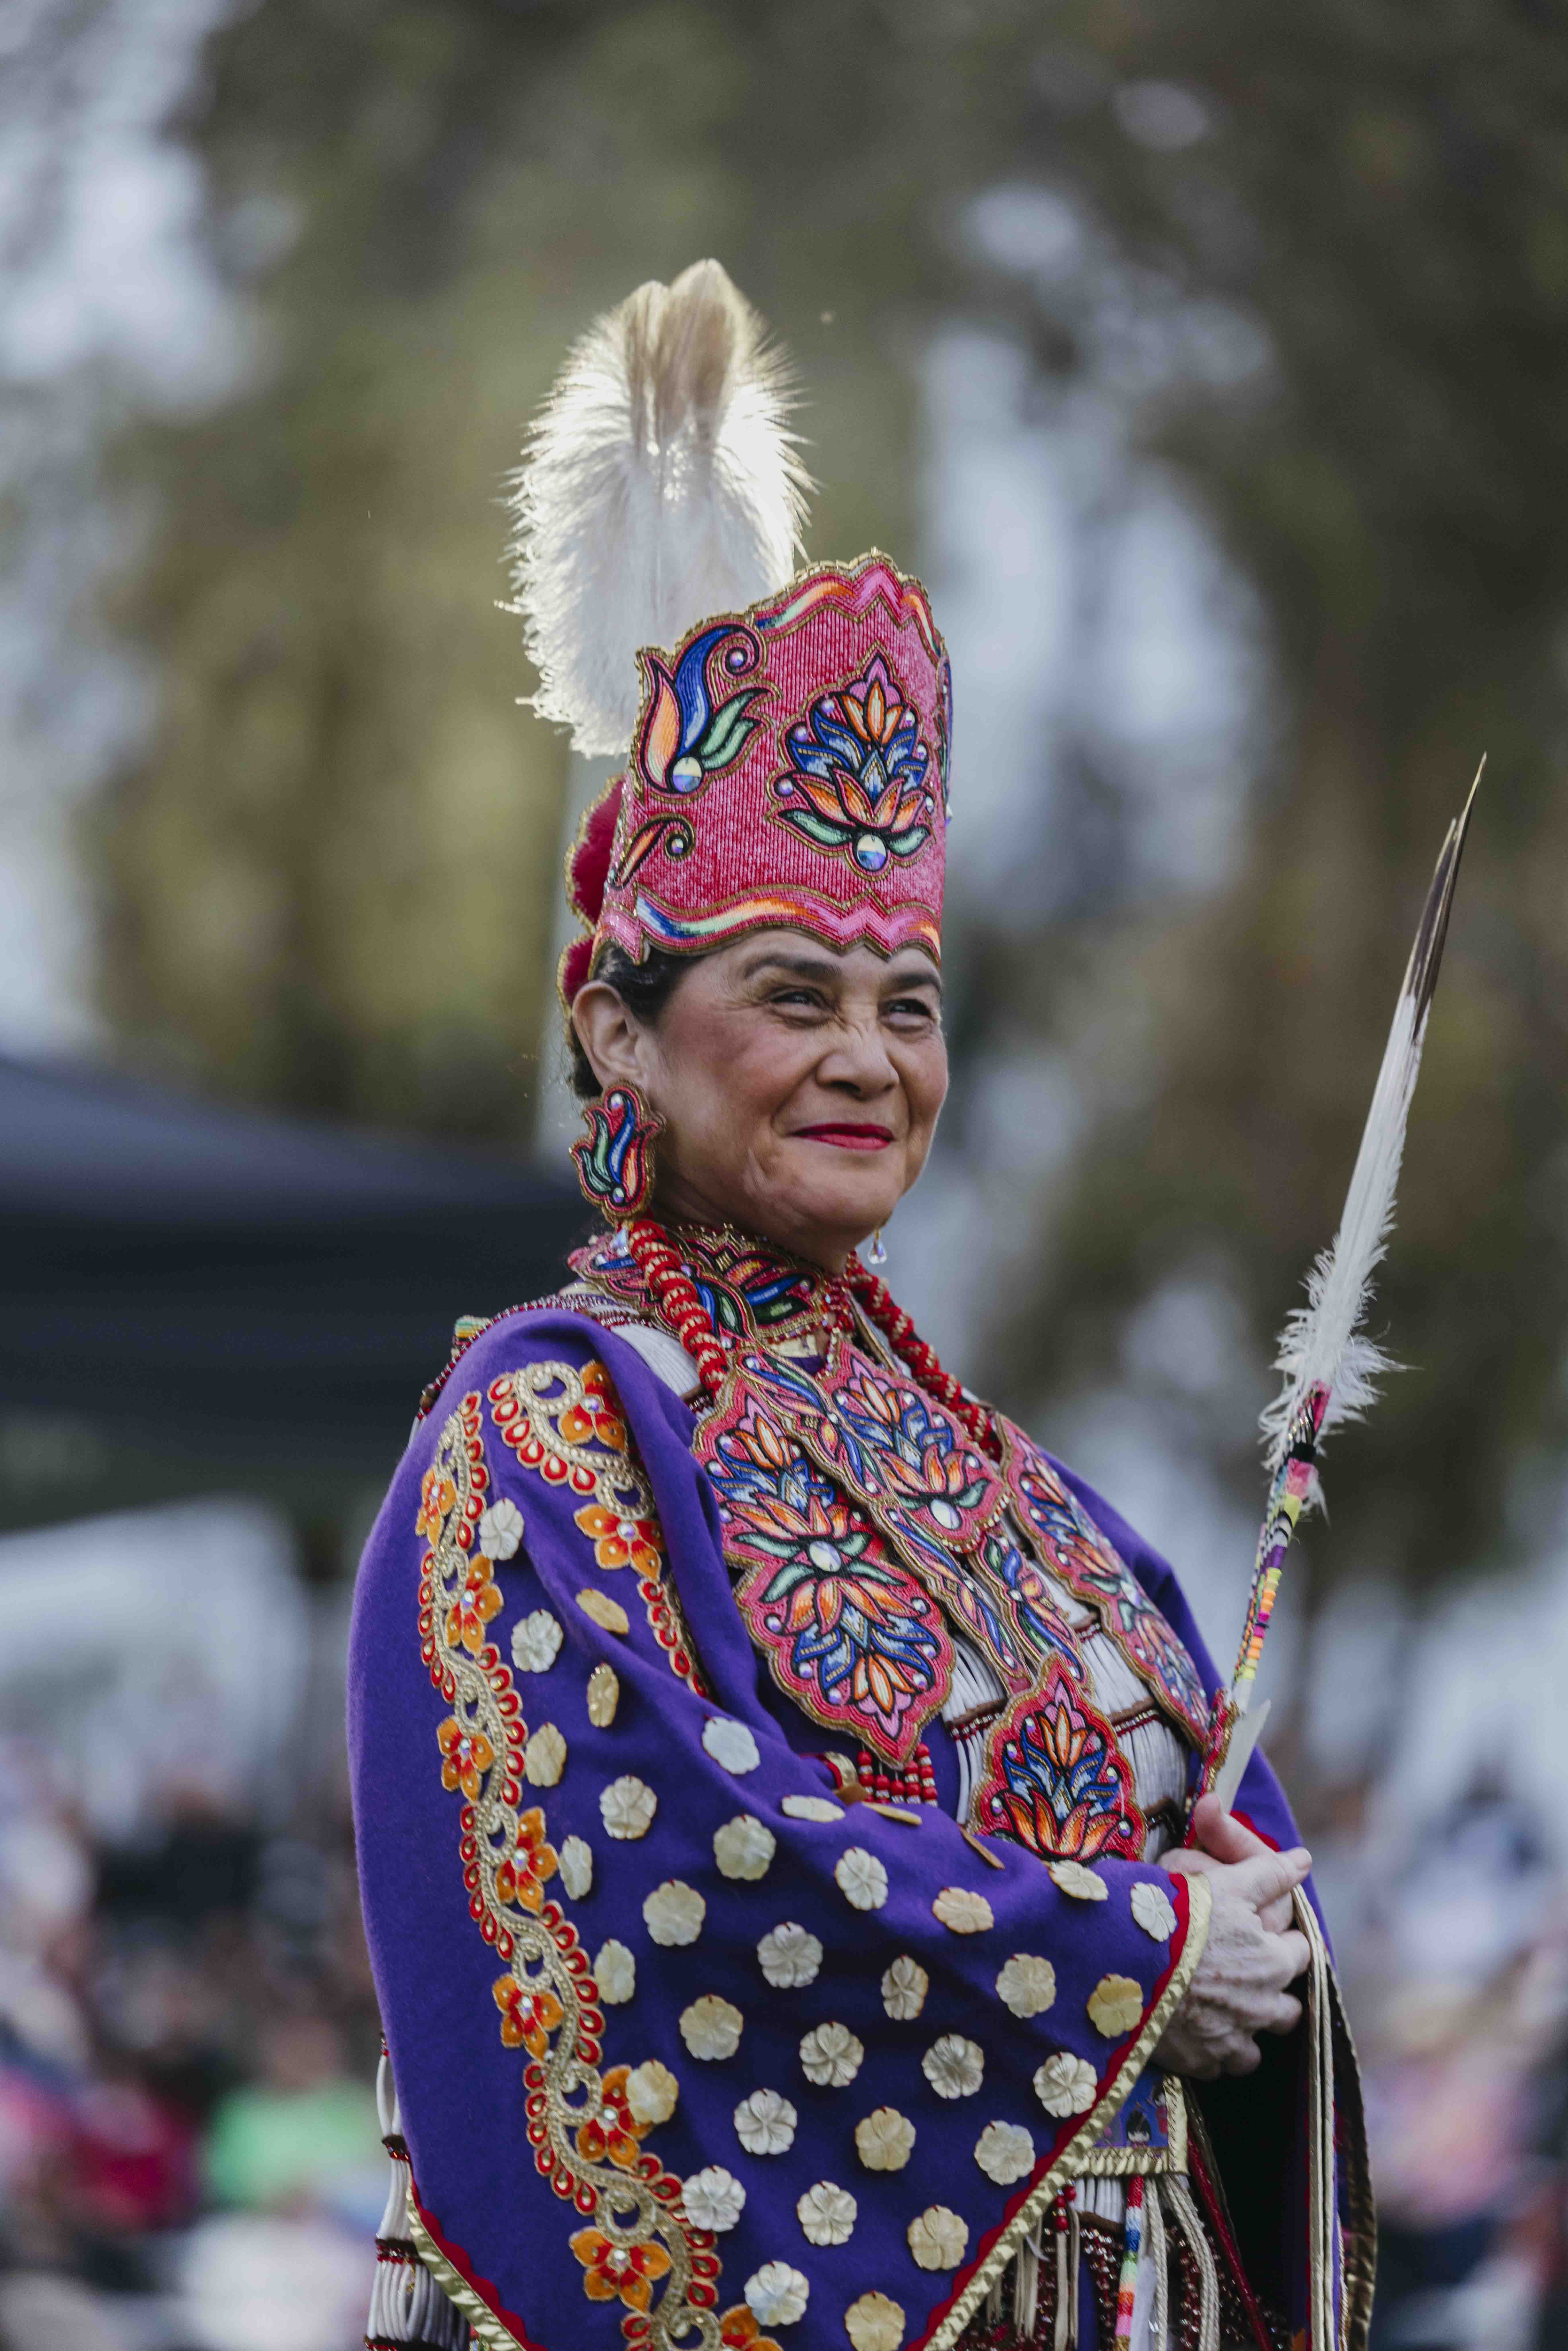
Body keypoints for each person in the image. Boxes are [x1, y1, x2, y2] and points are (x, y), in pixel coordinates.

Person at [348, 262, 1372, 2351]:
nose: (864, 1060)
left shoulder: (1013, 1488)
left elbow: (1201, 1824)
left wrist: (1247, 1908)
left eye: (906, 1009)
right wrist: (1123, 1964)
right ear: (619, 1039)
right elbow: (663, 1892)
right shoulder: (545, 1438)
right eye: (789, 997)